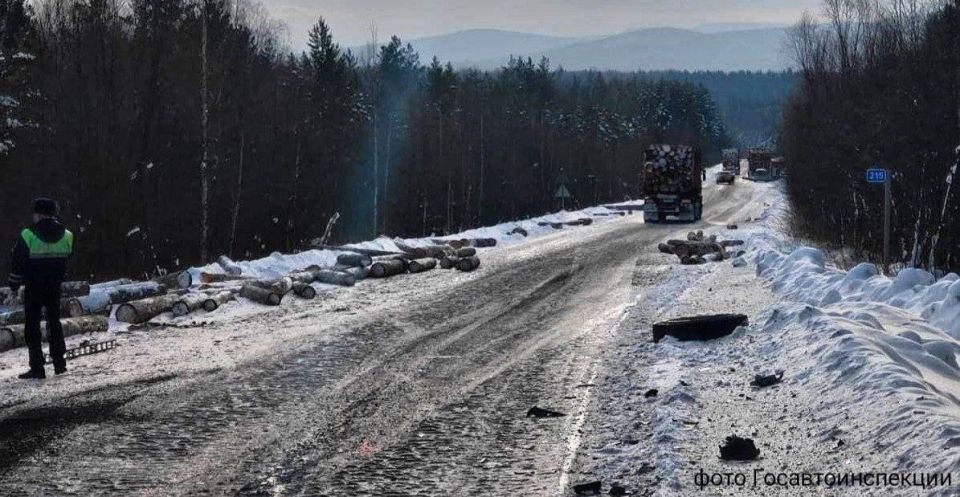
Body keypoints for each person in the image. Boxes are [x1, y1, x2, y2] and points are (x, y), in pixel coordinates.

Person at [7, 198, 74, 379]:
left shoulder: (28, 234)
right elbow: (68, 258)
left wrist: (14, 285)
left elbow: (18, 262)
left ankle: (37, 367)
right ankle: (60, 363)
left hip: (34, 286)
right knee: (55, 323)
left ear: (38, 214)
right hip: (54, 286)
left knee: (33, 326)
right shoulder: (67, 235)